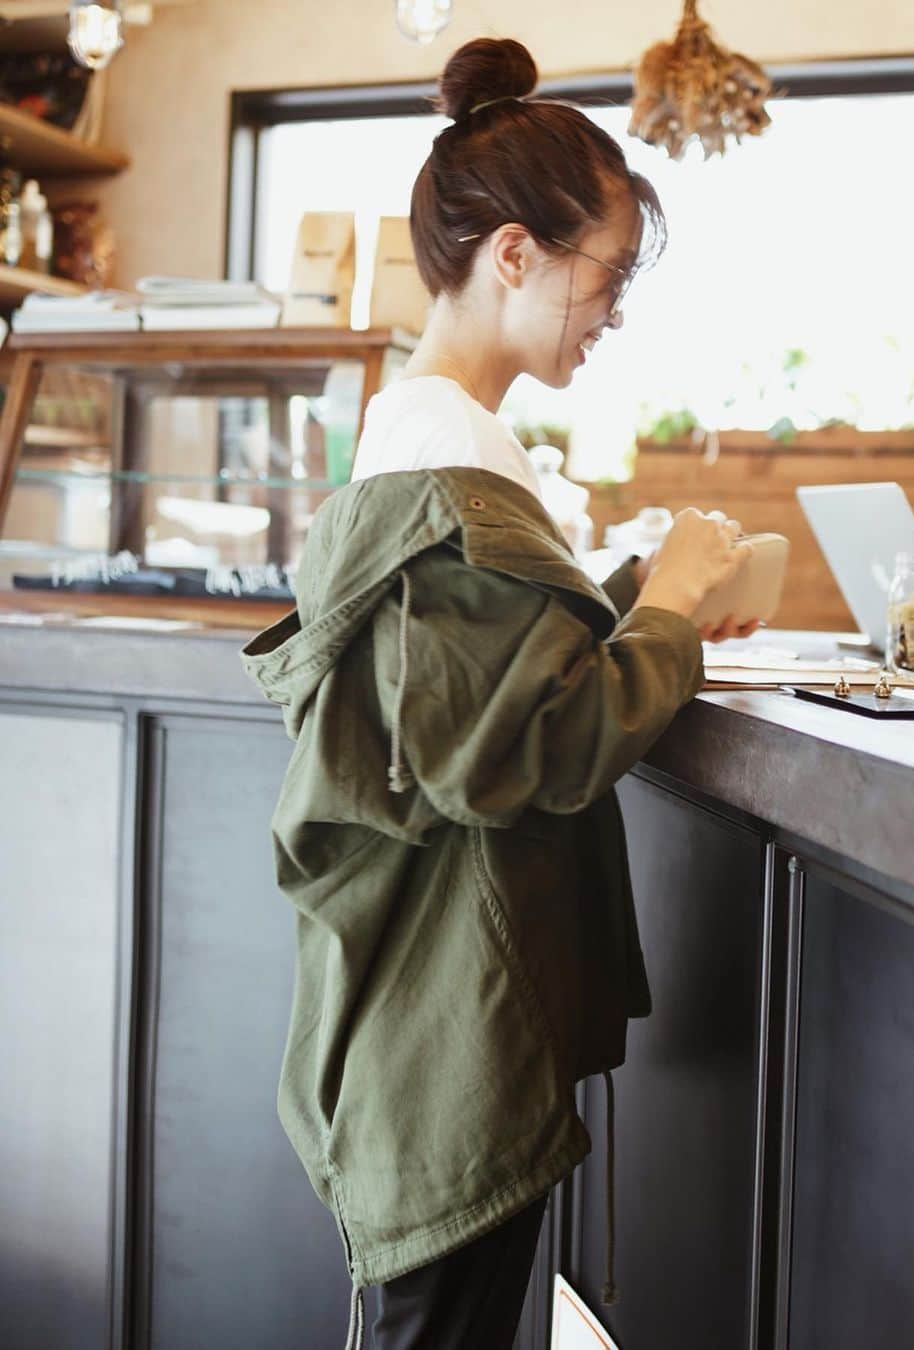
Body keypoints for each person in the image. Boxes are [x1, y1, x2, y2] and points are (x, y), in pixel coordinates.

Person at [242, 36, 759, 1350]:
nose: (613, 313)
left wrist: (657, 593)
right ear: (516, 254)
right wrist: (663, 610)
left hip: (438, 1018)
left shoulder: (440, 434)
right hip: (448, 1030)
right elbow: (530, 745)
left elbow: (493, 682)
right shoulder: (448, 448)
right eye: (607, 277)